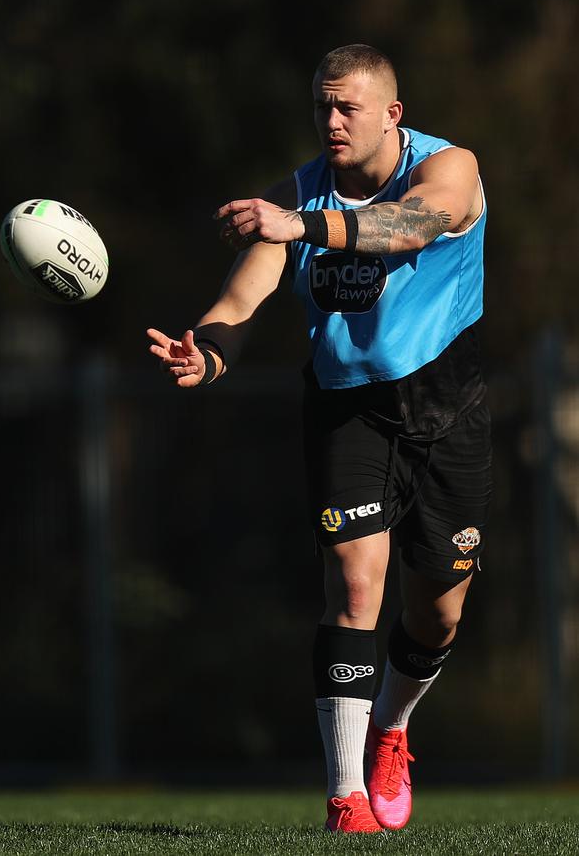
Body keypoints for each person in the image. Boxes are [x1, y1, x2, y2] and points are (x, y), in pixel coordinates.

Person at [147, 43, 491, 834]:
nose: (331, 122)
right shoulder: (300, 193)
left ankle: (392, 728)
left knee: (437, 615)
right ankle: (345, 798)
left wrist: (299, 222)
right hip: (347, 410)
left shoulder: (451, 169)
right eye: (321, 108)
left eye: (348, 108)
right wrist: (208, 347)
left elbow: (410, 227)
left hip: (448, 409)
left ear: (392, 115)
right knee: (354, 584)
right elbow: (251, 283)